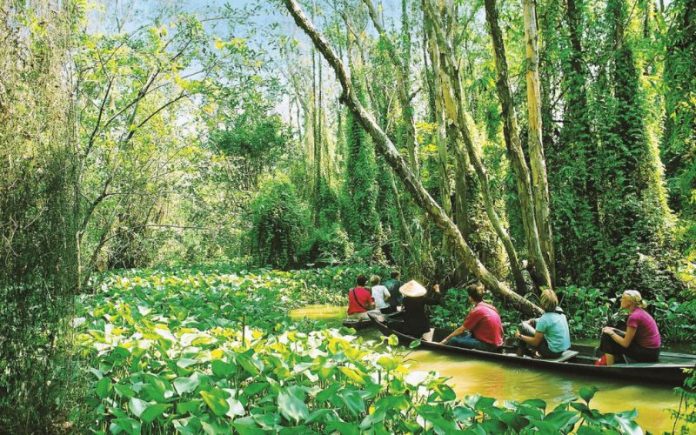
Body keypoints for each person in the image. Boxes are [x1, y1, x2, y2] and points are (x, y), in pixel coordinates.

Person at [596, 290, 661, 366]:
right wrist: (615, 330)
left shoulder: (634, 317)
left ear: (630, 302)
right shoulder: (639, 311)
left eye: (623, 298)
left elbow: (625, 344)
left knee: (607, 336)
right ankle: (614, 362)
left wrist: (612, 333)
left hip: (648, 354)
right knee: (610, 333)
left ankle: (610, 367)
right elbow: (631, 335)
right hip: (653, 352)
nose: (620, 300)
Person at [439, 282, 504, 352]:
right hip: (498, 344)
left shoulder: (477, 310)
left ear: (470, 298)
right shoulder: (491, 307)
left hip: (488, 345)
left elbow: (461, 329)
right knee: (465, 336)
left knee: (453, 341)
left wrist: (445, 340)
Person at [515, 288, 571, 358]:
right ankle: (531, 352)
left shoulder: (544, 319)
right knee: (533, 323)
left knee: (522, 326)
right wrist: (531, 321)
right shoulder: (561, 313)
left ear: (542, 303)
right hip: (562, 350)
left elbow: (535, 342)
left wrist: (520, 336)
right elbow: (547, 320)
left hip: (552, 352)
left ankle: (519, 356)